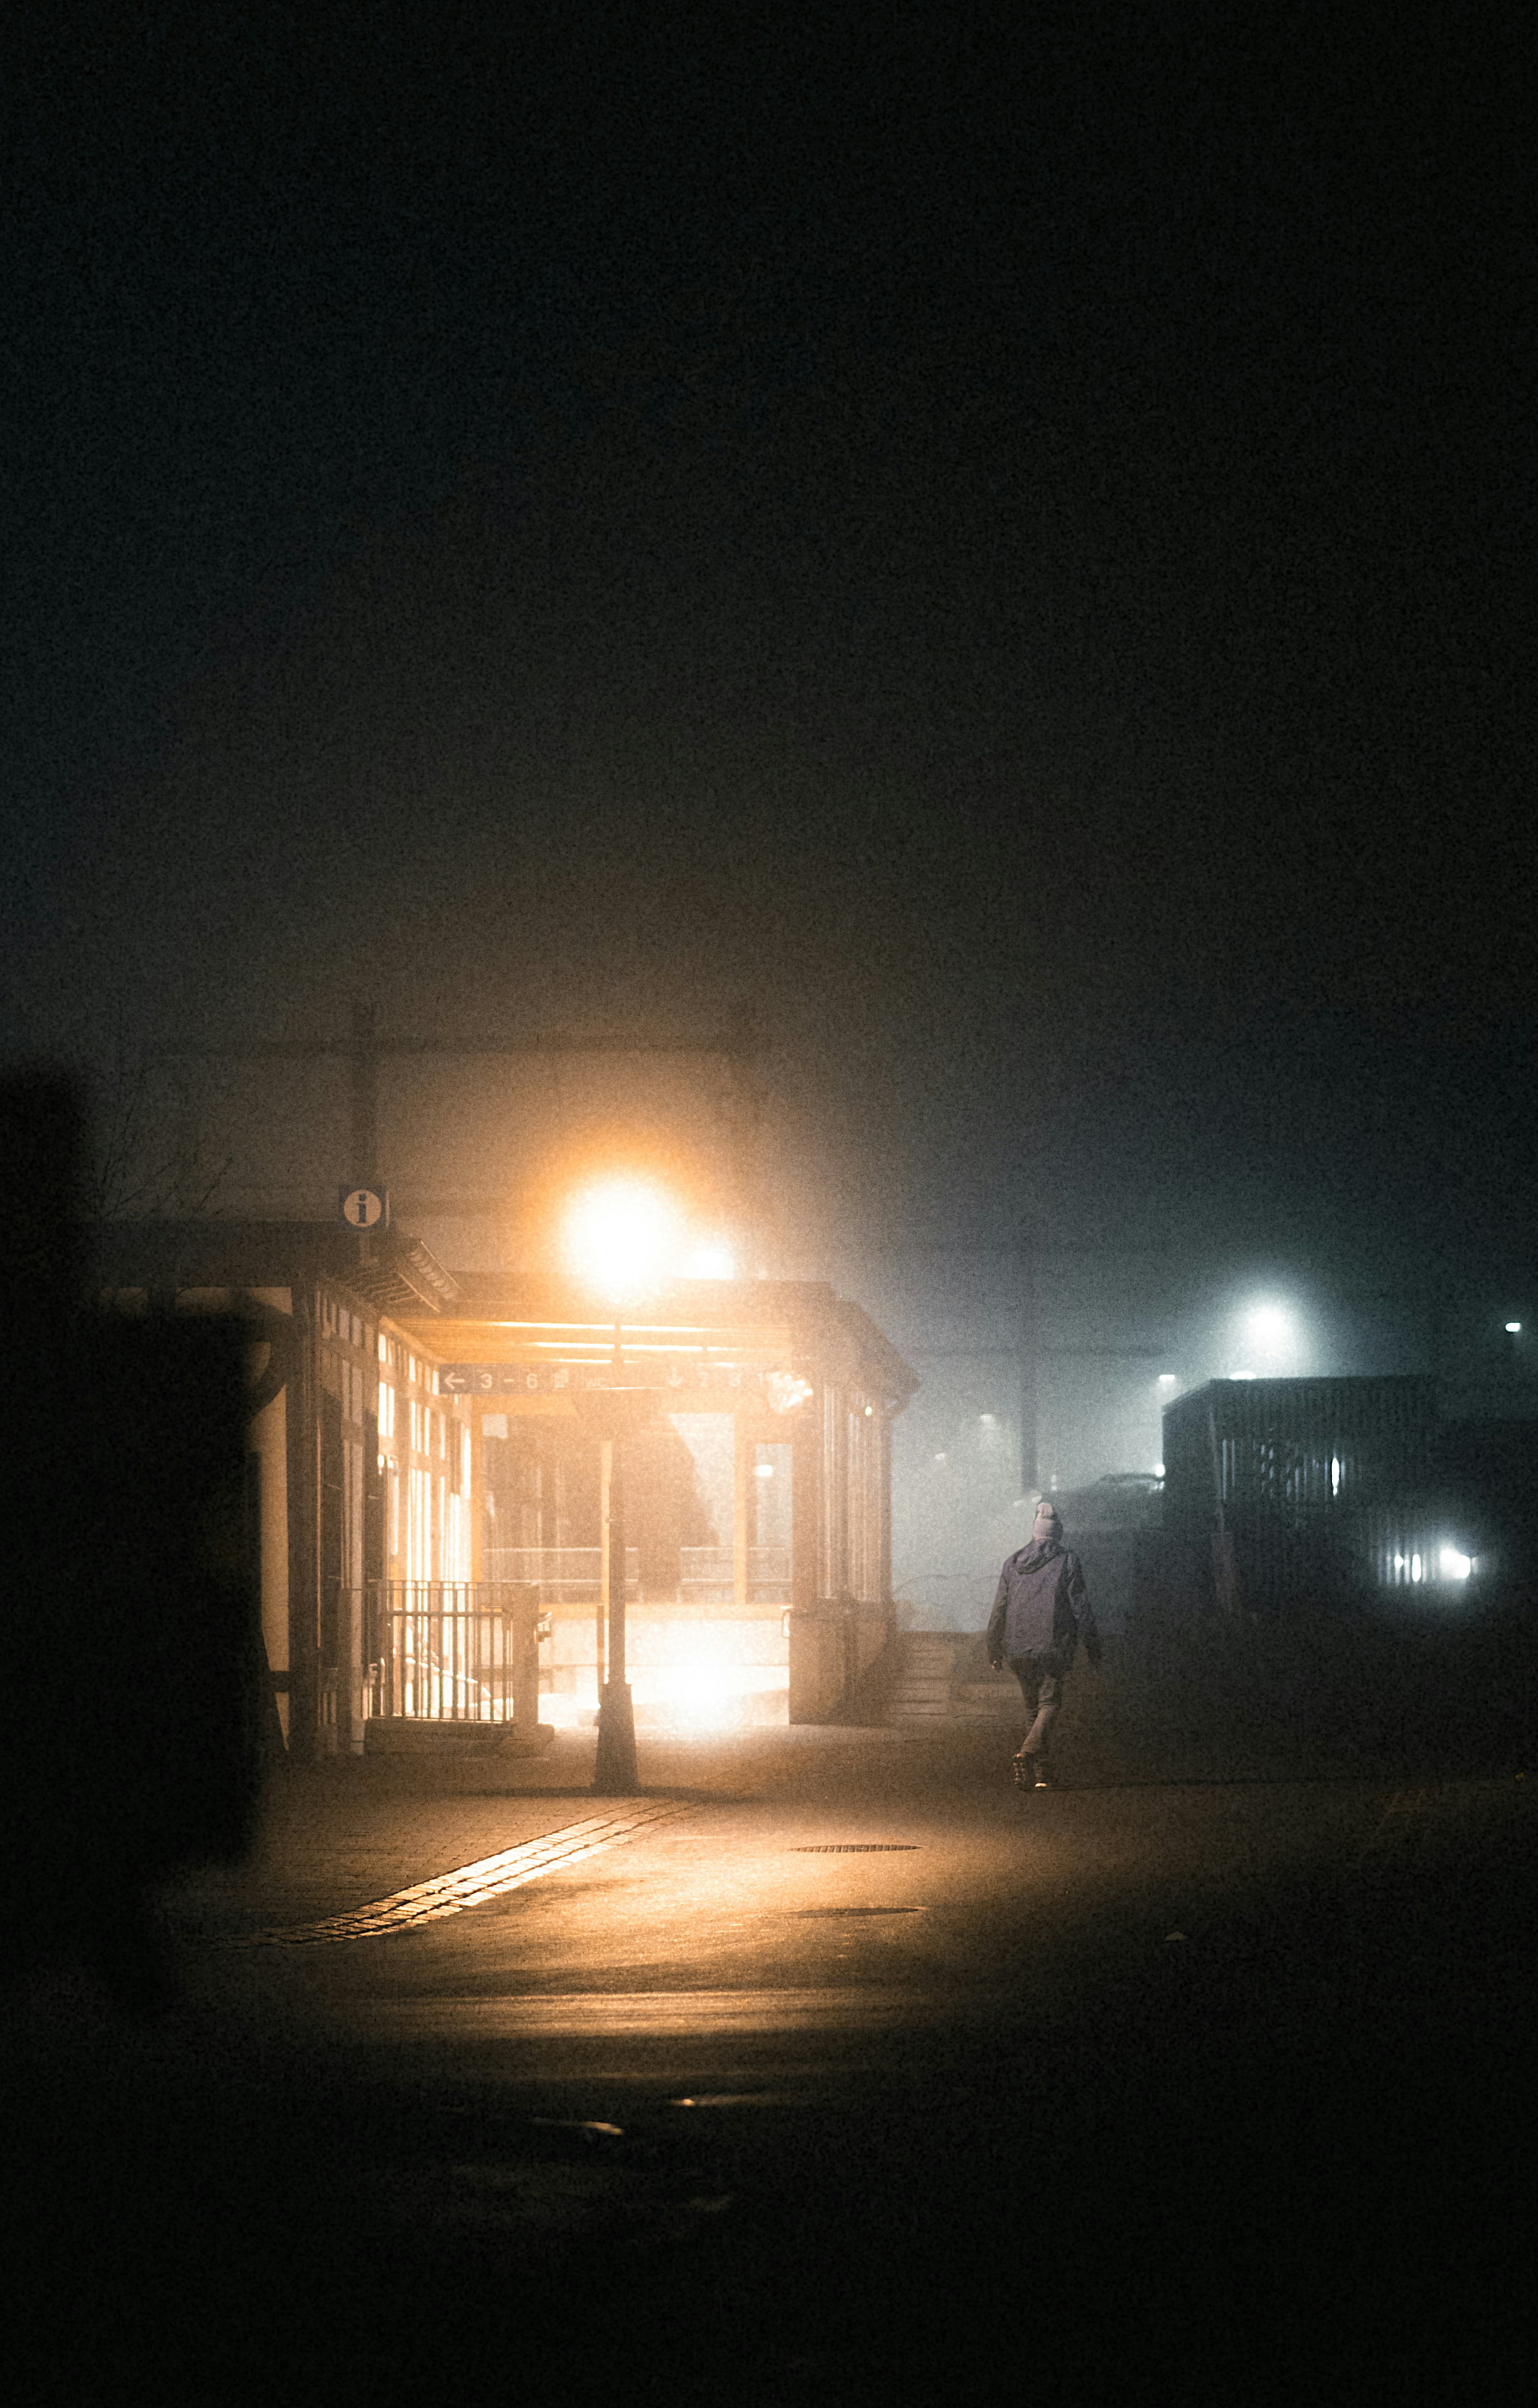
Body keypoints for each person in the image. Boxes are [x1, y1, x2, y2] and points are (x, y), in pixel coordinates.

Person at [986, 1499, 1101, 1788]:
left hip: (1017, 1648)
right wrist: (1093, 1647)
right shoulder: (1068, 1560)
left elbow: (999, 1609)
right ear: (1057, 1533)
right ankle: (1027, 1753)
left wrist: (993, 1648)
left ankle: (1040, 1776)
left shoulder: (1013, 1563)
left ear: (1035, 1532)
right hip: (1053, 1646)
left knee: (1032, 1709)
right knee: (1049, 1704)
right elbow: (1081, 1608)